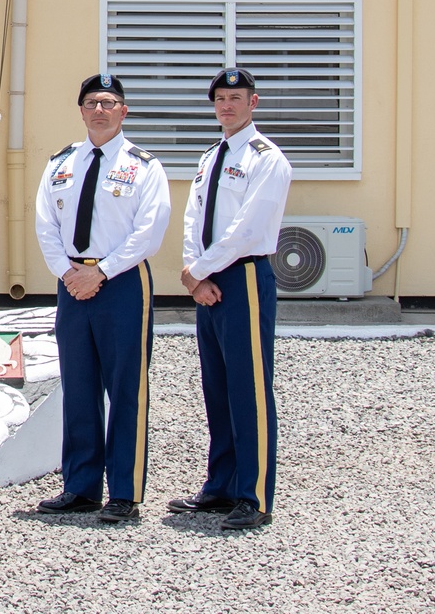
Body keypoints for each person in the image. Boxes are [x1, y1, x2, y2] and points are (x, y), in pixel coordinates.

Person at [33, 73, 171, 523]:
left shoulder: (145, 166)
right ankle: (81, 486)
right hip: (72, 280)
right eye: (91, 102)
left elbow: (148, 231)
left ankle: (125, 493)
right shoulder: (61, 163)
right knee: (79, 387)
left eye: (109, 102)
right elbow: (44, 225)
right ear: (81, 111)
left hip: (122, 283)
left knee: (126, 387)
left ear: (124, 111)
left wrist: (101, 272)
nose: (99, 110)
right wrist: (68, 273)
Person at [170, 66, 292, 530]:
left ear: (253, 102)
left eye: (236, 97)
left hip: (241, 279)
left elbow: (247, 230)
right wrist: (193, 275)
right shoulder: (211, 156)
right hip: (207, 284)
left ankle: (254, 495)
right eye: (220, 98)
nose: (227, 105)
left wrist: (198, 271)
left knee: (249, 389)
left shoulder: (267, 159)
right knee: (217, 388)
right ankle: (220, 486)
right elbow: (192, 219)